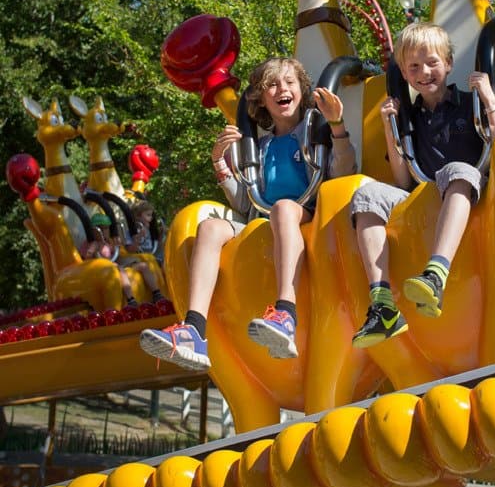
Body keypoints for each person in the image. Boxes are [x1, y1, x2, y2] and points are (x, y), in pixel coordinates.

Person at [139, 56, 356, 370]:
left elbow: (344, 171)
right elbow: (246, 202)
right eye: (272, 85)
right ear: (262, 100)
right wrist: (220, 164)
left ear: (302, 89)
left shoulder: (313, 132)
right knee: (211, 227)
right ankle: (194, 331)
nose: (282, 89)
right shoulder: (262, 147)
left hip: (305, 216)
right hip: (267, 220)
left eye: (289, 82)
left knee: (283, 209)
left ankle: (286, 314)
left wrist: (337, 127)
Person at [350, 22, 495, 348]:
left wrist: (489, 97)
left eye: (432, 62)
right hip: (422, 192)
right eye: (414, 67)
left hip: (466, 186)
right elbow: (402, 178)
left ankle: (435, 274)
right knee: (365, 196)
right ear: (406, 75)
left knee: (457, 170)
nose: (425, 72)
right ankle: (382, 303)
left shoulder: (470, 103)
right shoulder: (409, 117)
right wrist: (389, 127)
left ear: (448, 63)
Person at [83, 212, 164, 306]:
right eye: (101, 228)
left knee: (144, 265)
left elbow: (120, 253)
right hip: (105, 270)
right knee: (120, 269)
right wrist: (91, 251)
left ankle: (156, 293)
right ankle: (131, 299)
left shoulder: (109, 242)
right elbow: (86, 260)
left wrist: (117, 246)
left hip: (116, 264)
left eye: (106, 228)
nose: (105, 231)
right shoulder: (92, 243)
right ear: (95, 230)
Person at [118, 200, 166, 304]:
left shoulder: (150, 230)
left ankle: (168, 290)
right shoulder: (133, 231)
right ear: (138, 216)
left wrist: (161, 233)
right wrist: (139, 236)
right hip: (138, 258)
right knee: (147, 265)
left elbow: (156, 246)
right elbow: (130, 249)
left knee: (165, 264)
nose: (151, 218)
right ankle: (156, 293)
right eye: (148, 215)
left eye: (151, 215)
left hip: (152, 256)